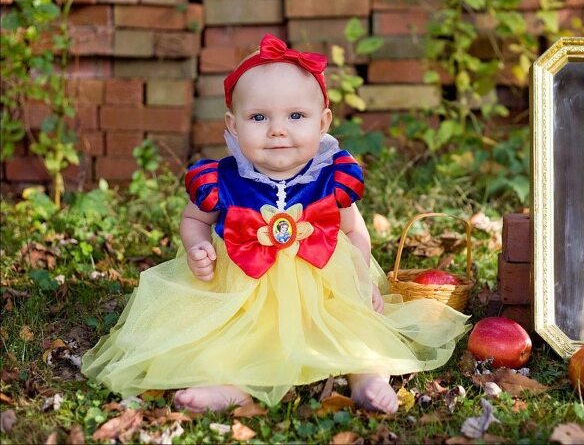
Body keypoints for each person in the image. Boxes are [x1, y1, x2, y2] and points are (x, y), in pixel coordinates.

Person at [81, 34, 469, 414]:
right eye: (259, 117)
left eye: (296, 116)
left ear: (323, 122)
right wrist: (196, 244)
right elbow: (193, 217)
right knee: (228, 339)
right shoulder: (224, 178)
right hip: (241, 289)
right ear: (233, 125)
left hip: (324, 287)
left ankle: (368, 379)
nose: (277, 129)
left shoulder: (330, 177)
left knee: (357, 332)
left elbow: (354, 231)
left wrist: (361, 276)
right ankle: (228, 387)